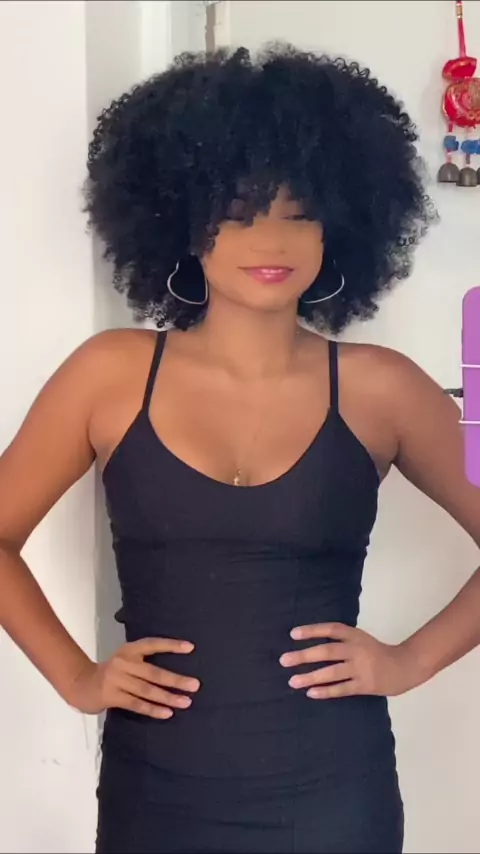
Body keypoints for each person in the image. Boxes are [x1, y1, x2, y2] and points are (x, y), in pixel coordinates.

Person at [0, 43, 479, 854]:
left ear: (340, 224)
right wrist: (78, 678)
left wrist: (409, 661)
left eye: (300, 213)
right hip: (157, 789)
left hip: (334, 794)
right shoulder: (108, 375)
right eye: (239, 211)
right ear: (182, 222)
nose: (273, 239)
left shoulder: (385, 390)